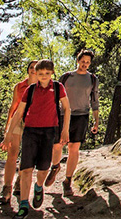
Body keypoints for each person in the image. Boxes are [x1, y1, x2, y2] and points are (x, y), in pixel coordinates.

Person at [2, 59, 70, 218]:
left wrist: (65, 130)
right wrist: (8, 134)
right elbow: (19, 112)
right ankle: (24, 204)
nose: (44, 76)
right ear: (35, 74)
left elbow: (67, 108)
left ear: (52, 73)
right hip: (30, 131)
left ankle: (39, 186)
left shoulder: (58, 87)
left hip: (48, 132)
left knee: (43, 168)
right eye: (40, 74)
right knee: (26, 169)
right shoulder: (30, 90)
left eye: (47, 73)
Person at [45, 49, 100, 196]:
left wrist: (96, 121)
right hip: (63, 115)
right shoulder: (66, 77)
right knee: (57, 146)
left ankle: (67, 181)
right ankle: (55, 167)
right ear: (78, 60)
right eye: (83, 61)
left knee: (74, 148)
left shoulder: (93, 79)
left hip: (82, 115)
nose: (85, 64)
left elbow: (94, 101)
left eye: (88, 62)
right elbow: (54, 97)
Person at [0, 60, 38, 206]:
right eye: (31, 67)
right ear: (28, 70)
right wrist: (7, 127)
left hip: (33, 123)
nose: (33, 70)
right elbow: (13, 106)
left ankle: (20, 181)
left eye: (36, 68)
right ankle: (6, 189)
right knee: (12, 153)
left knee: (28, 156)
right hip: (18, 121)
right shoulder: (19, 86)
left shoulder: (44, 87)